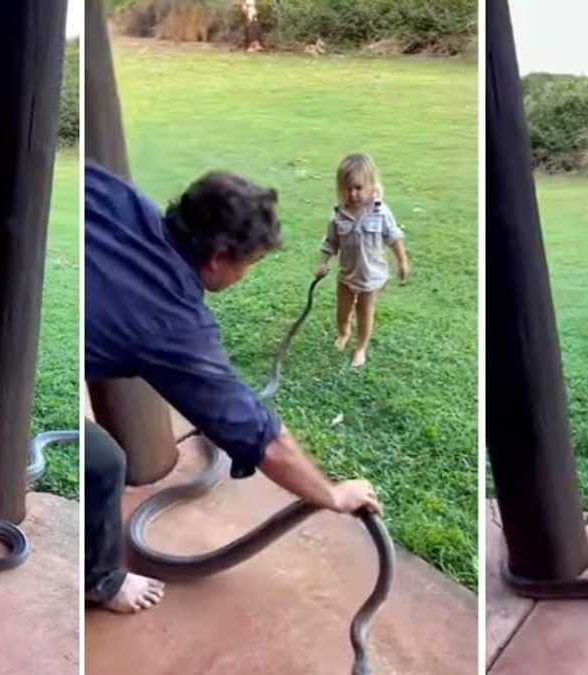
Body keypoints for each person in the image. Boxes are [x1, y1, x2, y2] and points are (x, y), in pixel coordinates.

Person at [85, 162, 383, 614]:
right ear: (219, 257)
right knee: (103, 464)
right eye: (249, 263)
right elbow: (265, 440)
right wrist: (333, 495)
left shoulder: (116, 195)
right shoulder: (174, 326)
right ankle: (101, 582)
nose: (246, 275)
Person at [315, 153, 409, 368]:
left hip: (371, 277)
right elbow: (330, 242)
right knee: (342, 310)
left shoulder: (381, 213)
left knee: (364, 312)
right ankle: (343, 332)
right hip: (346, 275)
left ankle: (360, 348)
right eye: (347, 188)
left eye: (358, 188)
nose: (353, 194)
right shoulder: (338, 215)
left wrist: (402, 262)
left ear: (371, 185)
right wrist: (323, 262)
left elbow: (394, 237)